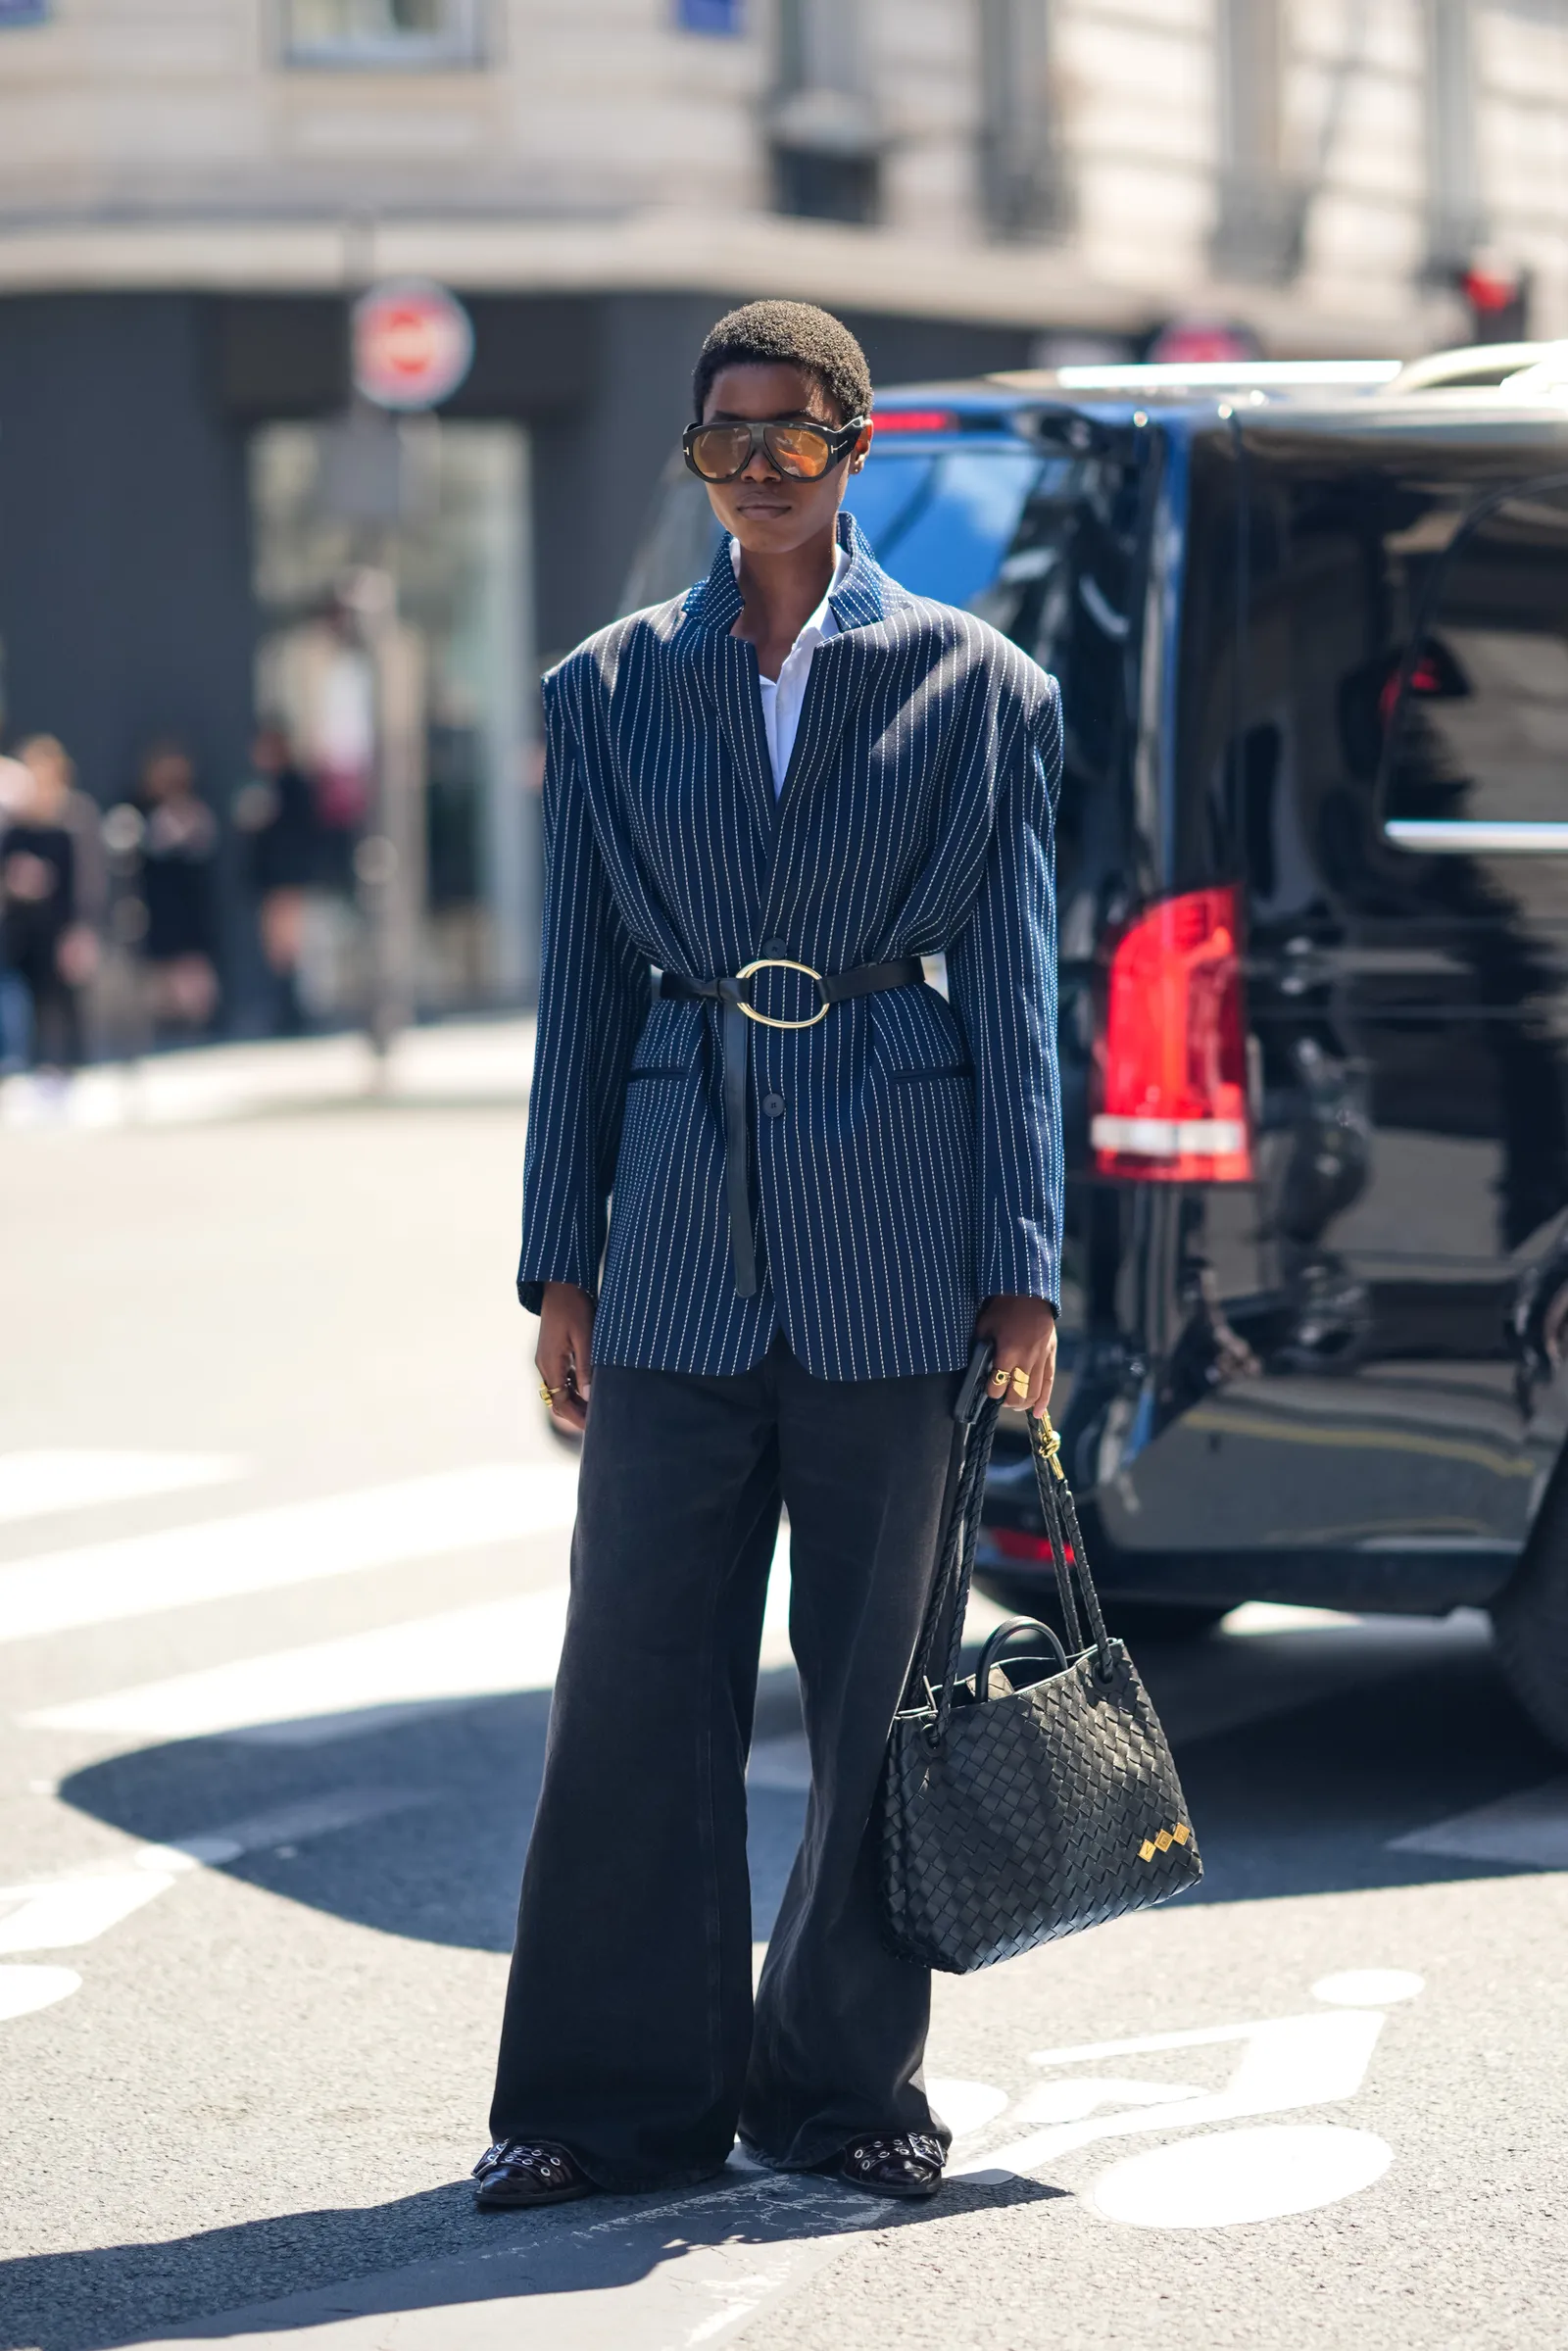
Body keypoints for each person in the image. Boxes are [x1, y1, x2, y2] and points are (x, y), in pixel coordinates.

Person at [475, 301, 1061, 2214]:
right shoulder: (609, 688)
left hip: (898, 1238)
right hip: (672, 1251)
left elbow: (1022, 1002)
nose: (751, 465)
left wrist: (1024, 1267)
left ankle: (839, 2085)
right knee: (634, 1675)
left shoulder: (978, 688)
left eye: (786, 435)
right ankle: (596, 2093)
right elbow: (578, 1000)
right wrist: (561, 1258)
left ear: (852, 447)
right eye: (719, 438)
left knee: (878, 1684)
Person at [0, 737, 101, 1078]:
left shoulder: (74, 820)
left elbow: (89, 879)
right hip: (24, 932)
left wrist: (83, 929)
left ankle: (71, 1070)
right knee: (28, 1002)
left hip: (64, 927)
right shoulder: (17, 827)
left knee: (66, 1003)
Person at [233, 724, 319, 1036]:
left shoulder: (290, 786)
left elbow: (298, 833)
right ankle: (285, 1009)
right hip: (272, 879)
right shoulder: (266, 786)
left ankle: (292, 1012)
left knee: (287, 946)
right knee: (277, 948)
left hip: (287, 878)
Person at [134, 739, 220, 1036]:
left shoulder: (196, 811)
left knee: (192, 970)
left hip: (191, 906)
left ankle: (196, 1025)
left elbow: (203, 848)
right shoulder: (145, 813)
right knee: (164, 974)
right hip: (160, 905)